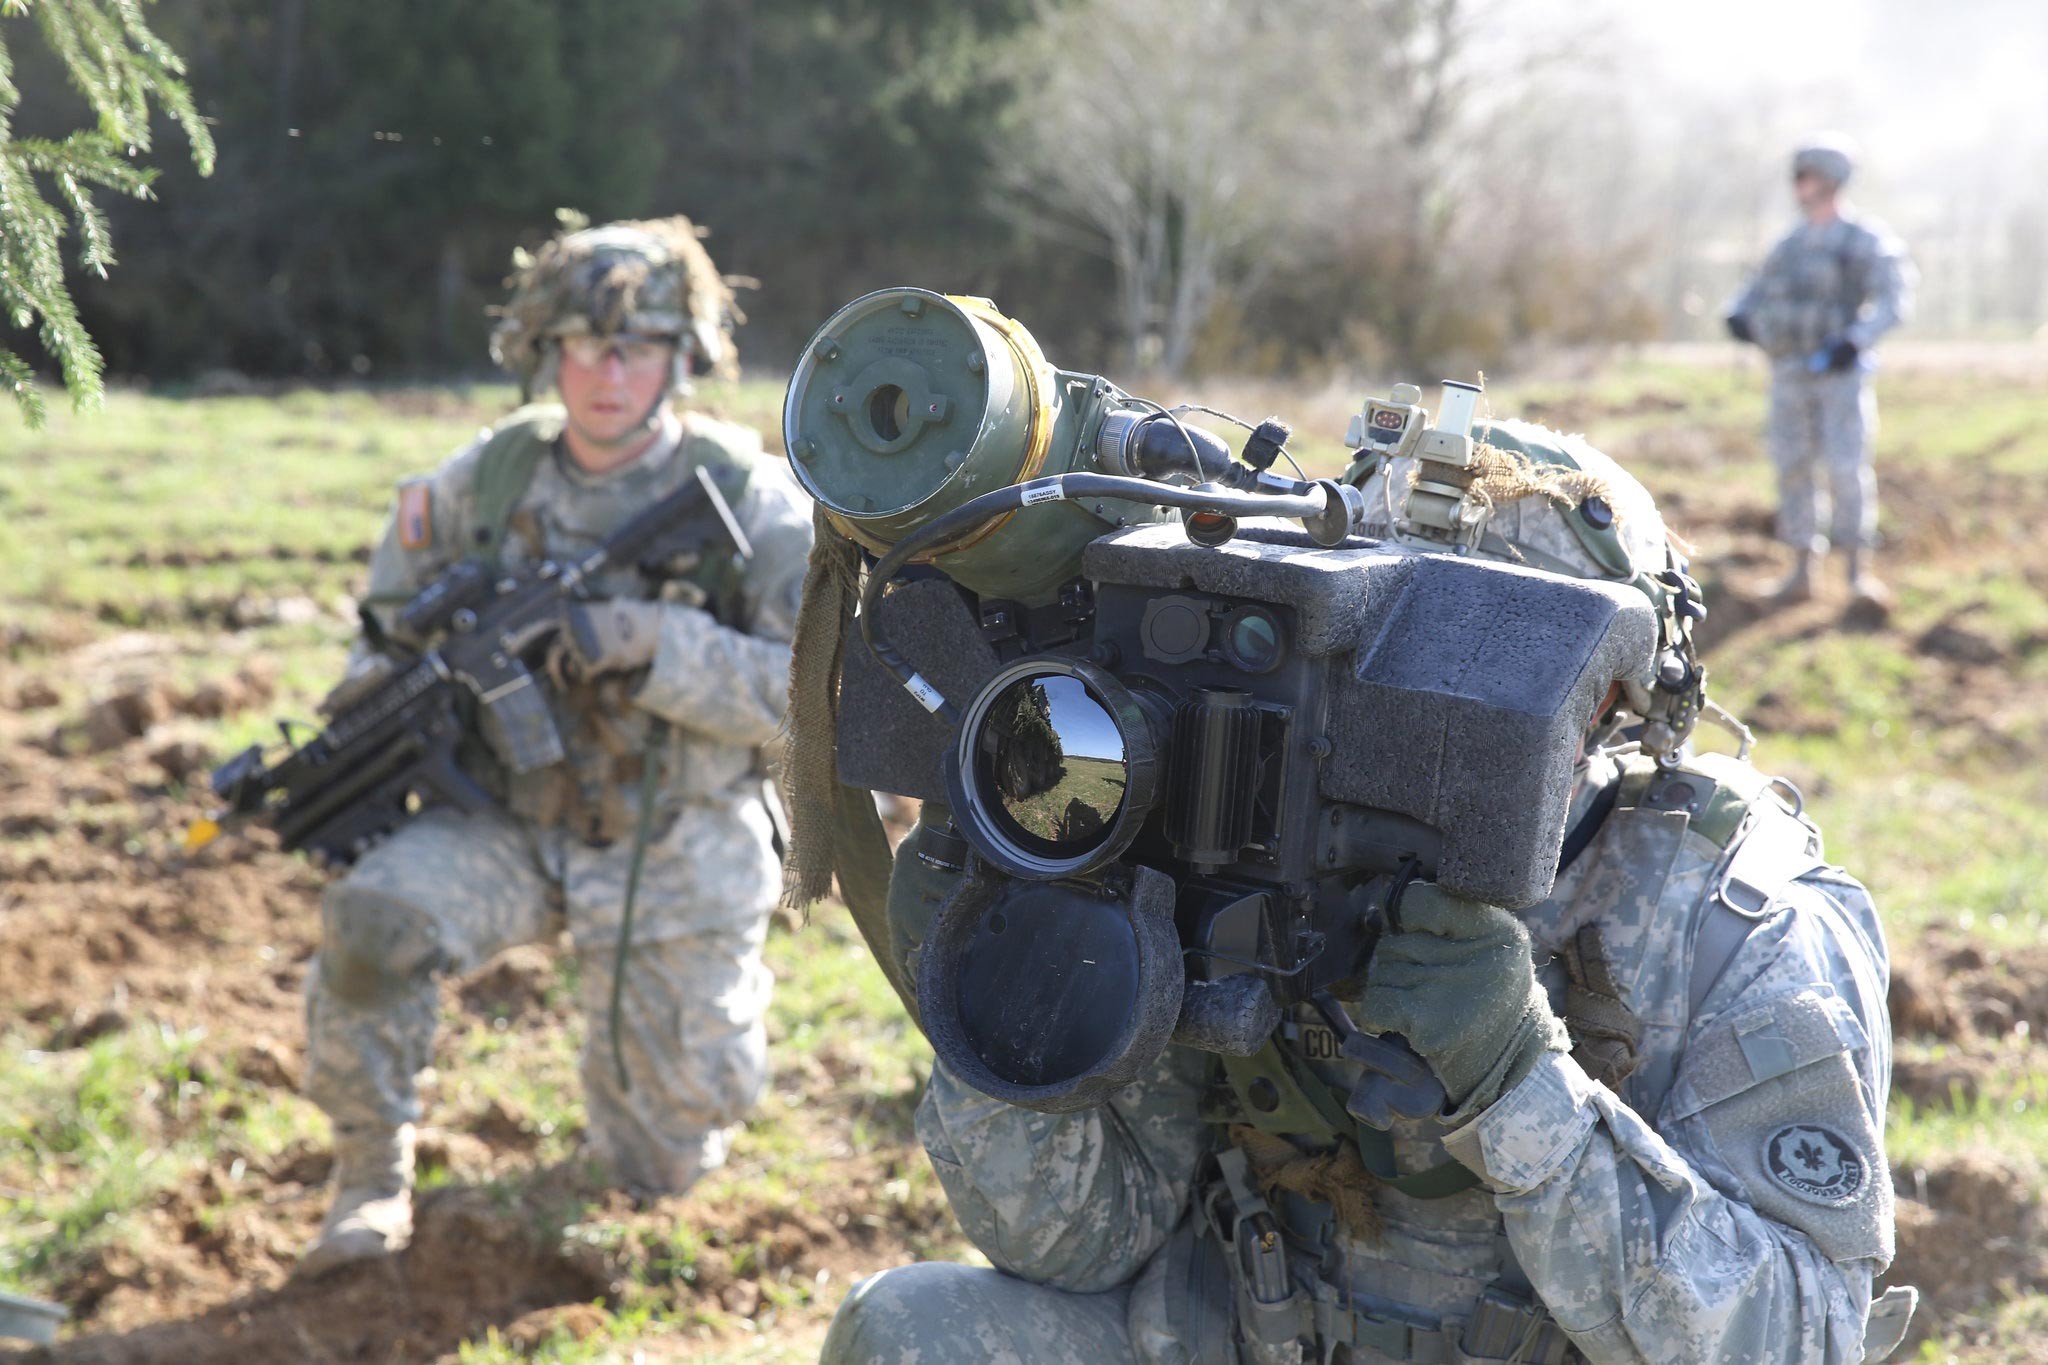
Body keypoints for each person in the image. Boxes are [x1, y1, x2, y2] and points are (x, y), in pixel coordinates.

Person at [820, 423, 1914, 1363]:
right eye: (1376, 653)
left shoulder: (1731, 918)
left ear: (1609, 700)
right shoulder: (1227, 832)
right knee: (911, 1330)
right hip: (1252, 1333)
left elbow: (1797, 1335)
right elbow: (1077, 1242)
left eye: (1491, 677)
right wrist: (999, 996)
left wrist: (1517, 1081)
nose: (1418, 716)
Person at [295, 216, 813, 1278]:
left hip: (676, 837)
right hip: (508, 821)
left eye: (634, 347)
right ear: (545, 351)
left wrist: (656, 644)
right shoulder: (482, 485)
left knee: (658, 1166)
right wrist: (380, 699)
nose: (607, 373)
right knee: (371, 923)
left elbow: (817, 707)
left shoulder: (754, 504)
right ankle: (368, 1176)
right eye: (583, 346)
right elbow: (380, 637)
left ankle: (653, 1134)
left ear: (683, 356)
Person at [1726, 133, 1915, 609]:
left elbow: (1895, 299)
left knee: (1846, 467)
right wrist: (1740, 317)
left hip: (1838, 374)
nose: (1797, 186)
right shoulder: (1789, 243)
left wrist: (1856, 341)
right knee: (1792, 467)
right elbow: (1755, 290)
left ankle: (1856, 573)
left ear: (1829, 182)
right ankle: (1801, 569)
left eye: (1804, 176)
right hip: (1790, 371)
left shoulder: (1863, 241)